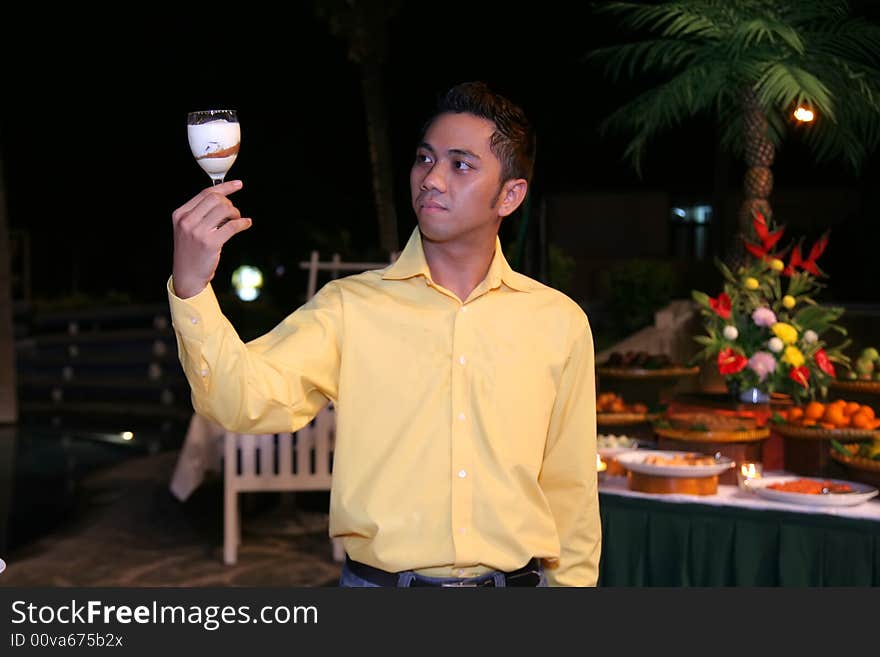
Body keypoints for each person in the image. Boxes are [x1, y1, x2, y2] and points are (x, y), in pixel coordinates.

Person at [168, 81, 601, 587]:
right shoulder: (350, 308)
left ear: (510, 194)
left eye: (460, 164)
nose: (431, 179)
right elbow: (237, 400)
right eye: (425, 159)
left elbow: (571, 494)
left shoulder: (558, 322)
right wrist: (192, 285)